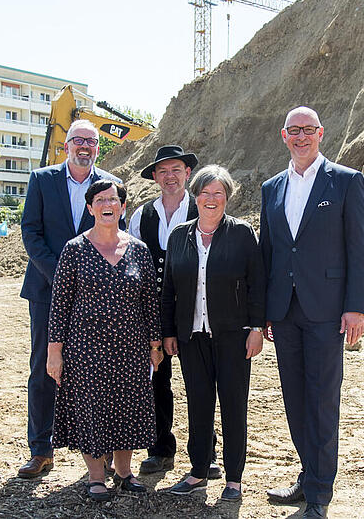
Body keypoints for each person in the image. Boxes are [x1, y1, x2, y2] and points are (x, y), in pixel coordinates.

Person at [260, 107, 364, 519]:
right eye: (294, 131)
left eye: (308, 130)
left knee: (322, 400)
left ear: (321, 133)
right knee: (295, 399)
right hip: (285, 312)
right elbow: (270, 251)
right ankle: (308, 476)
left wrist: (356, 307)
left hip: (327, 312)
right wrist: (267, 310)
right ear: (283, 135)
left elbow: (359, 251)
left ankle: (320, 495)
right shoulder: (272, 187)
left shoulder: (345, 181)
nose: (301, 137)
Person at [17, 119, 122, 479]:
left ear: (97, 148)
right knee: (44, 369)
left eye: (91, 142)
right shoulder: (42, 180)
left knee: (97, 372)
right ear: (66, 146)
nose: (84, 147)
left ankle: (101, 449)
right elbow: (30, 231)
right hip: (47, 291)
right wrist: (59, 274)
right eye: (78, 140)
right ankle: (41, 450)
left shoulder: (110, 185)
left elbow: (115, 236)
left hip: (95, 297)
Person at [47, 180, 163, 501]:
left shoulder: (139, 250)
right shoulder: (74, 250)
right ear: (90, 208)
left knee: (126, 409)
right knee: (92, 410)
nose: (107, 204)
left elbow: (150, 303)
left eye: (113, 199)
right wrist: (54, 353)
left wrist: (155, 346)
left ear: (122, 207)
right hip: (85, 349)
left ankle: (125, 474)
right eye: (100, 199)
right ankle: (96, 476)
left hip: (130, 349)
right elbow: (59, 305)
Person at [161, 165, 265, 501]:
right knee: (198, 404)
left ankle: (234, 478)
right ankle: (198, 471)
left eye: (218, 193)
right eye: (204, 192)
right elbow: (169, 289)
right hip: (192, 338)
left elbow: (257, 284)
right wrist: (168, 332)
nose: (211, 199)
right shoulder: (179, 236)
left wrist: (255, 328)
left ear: (227, 198)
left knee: (234, 405)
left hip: (234, 336)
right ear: (195, 196)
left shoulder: (242, 233)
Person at [127, 145, 221, 479]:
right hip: (152, 311)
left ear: (187, 174)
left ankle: (206, 454)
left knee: (200, 383)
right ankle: (160, 449)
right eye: (163, 171)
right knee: (156, 381)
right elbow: (133, 262)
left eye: (176, 170)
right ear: (154, 176)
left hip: (196, 310)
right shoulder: (141, 216)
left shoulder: (203, 210)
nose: (170, 177)